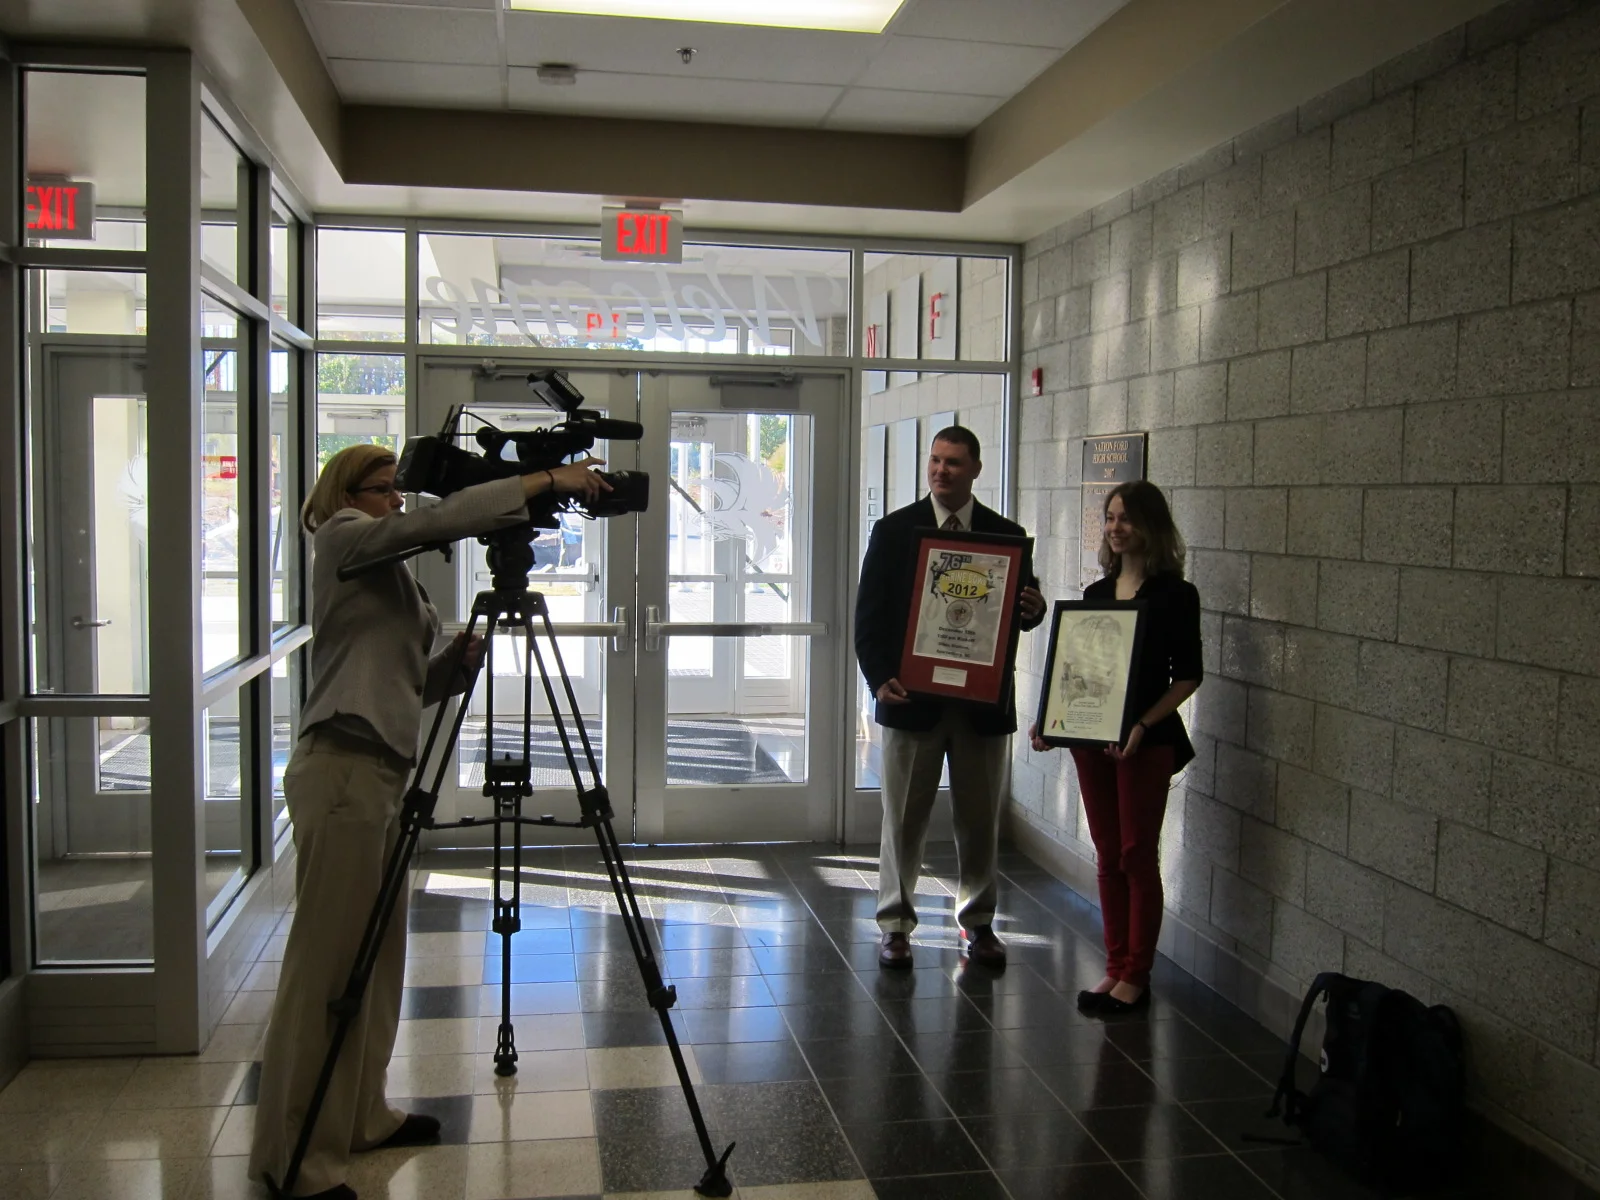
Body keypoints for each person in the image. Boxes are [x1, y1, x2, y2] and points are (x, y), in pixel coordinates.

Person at [250, 444, 610, 1200]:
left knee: (376, 962)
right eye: (382, 490)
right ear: (345, 493)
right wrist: (545, 479)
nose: (395, 504)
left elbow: (409, 684)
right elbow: (440, 519)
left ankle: (360, 1117)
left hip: (380, 767)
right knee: (324, 970)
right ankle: (294, 1159)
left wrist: (458, 662)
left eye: (393, 490)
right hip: (342, 769)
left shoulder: (389, 575)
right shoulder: (342, 538)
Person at [856, 426, 1046, 969]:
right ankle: (895, 923)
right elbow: (867, 617)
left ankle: (978, 924)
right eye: (935, 461)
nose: (942, 471)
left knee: (980, 820)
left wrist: (1034, 609)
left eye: (954, 463)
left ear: (976, 469)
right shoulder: (894, 532)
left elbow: (1018, 616)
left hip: (981, 708)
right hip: (910, 699)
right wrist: (877, 678)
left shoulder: (1006, 536)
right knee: (902, 820)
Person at [1030, 480, 1202, 1015]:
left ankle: (1137, 975)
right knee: (1107, 856)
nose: (1116, 527)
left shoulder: (1176, 594)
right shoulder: (1095, 596)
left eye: (1126, 517)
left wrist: (1144, 726)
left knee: (1135, 855)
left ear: (1152, 525)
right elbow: (1075, 673)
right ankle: (1114, 966)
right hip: (1092, 743)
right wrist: (1049, 722)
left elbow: (1188, 677)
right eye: (1109, 517)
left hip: (1144, 744)